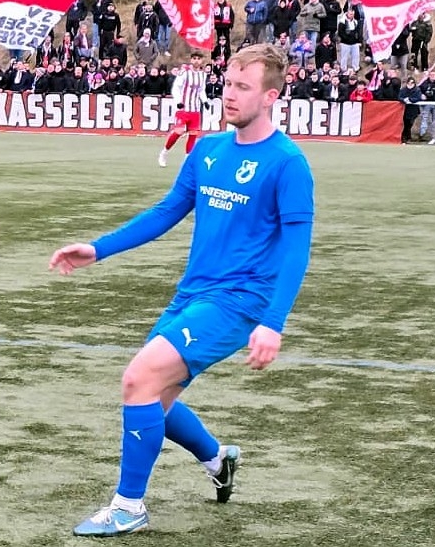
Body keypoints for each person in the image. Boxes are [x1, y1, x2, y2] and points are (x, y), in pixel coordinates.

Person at [50, 43, 314, 538]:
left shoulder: (287, 164)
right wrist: (98, 249)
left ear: (271, 96)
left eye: (243, 87)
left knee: (138, 379)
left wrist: (272, 324)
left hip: (240, 303)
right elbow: (167, 211)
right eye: (227, 84)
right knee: (157, 400)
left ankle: (128, 505)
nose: (229, 95)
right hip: (192, 294)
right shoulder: (208, 151)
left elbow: (298, 250)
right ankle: (218, 459)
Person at [158, 52, 208, 167]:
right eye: (194, 58)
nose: (196, 60)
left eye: (198, 59)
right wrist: (178, 101)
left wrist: (205, 101)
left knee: (193, 134)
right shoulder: (185, 72)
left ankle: (187, 159)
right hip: (183, 108)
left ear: (202, 61)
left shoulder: (203, 74)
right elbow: (176, 87)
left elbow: (201, 90)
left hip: (195, 109)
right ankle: (164, 152)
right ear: (191, 60)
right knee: (178, 131)